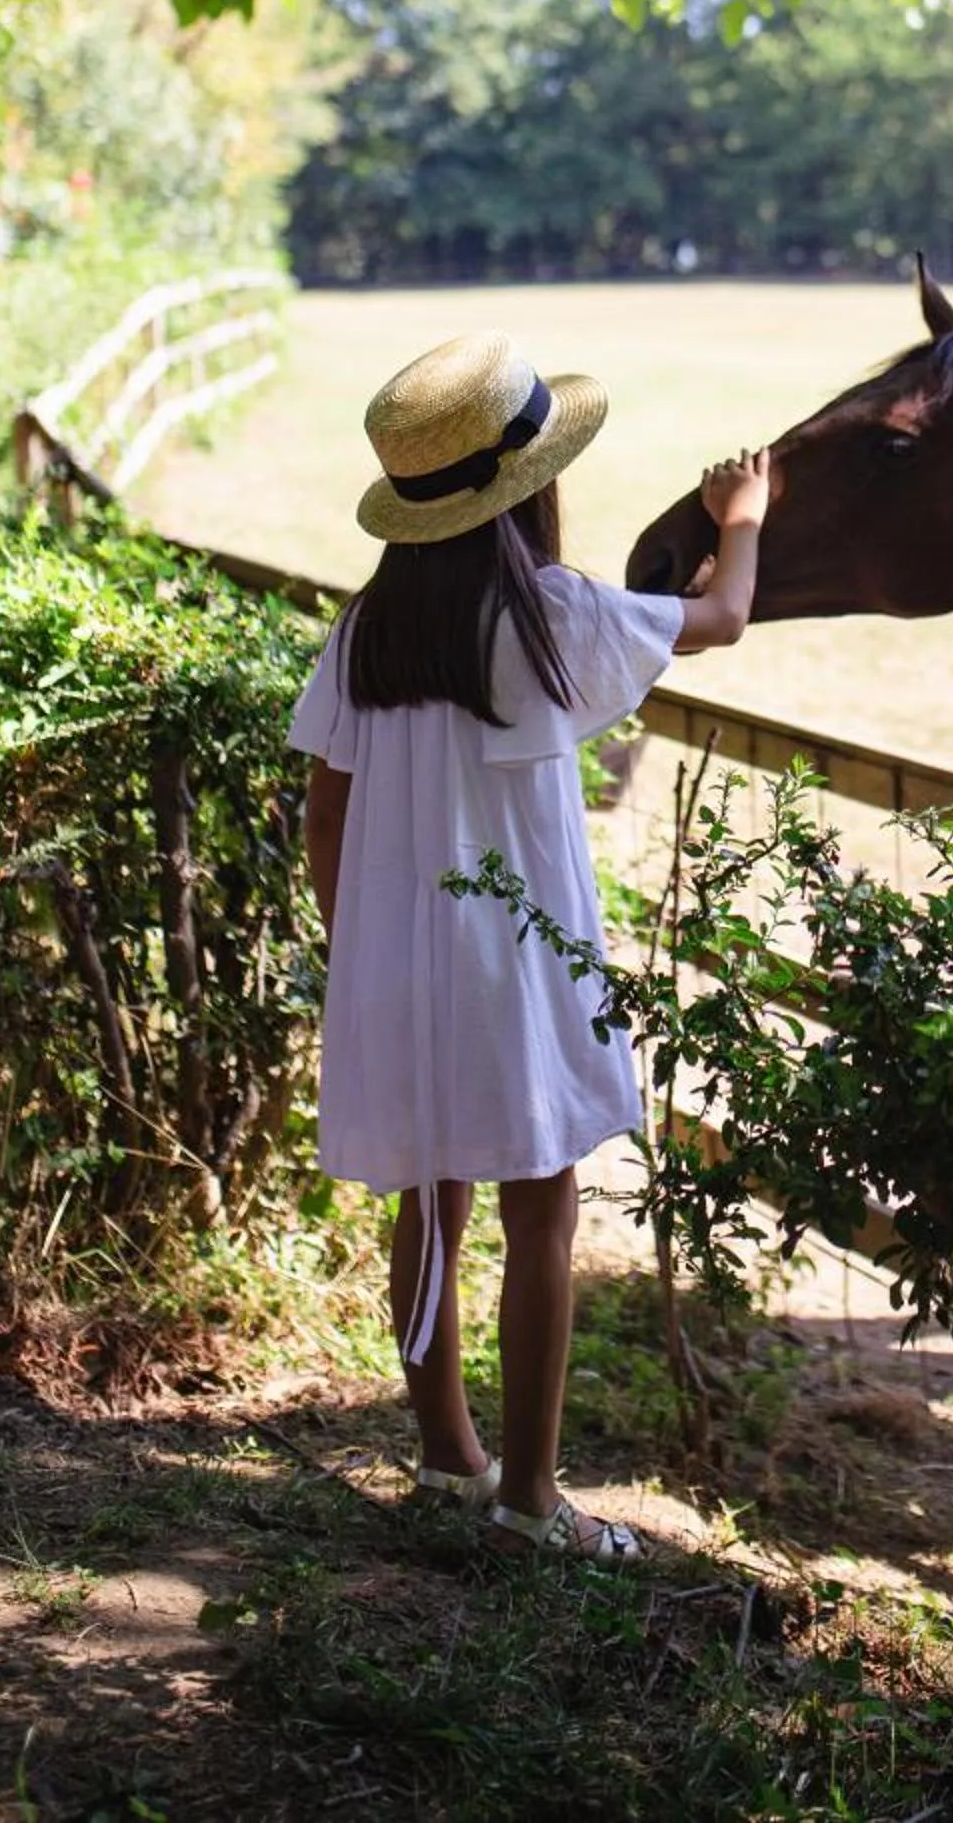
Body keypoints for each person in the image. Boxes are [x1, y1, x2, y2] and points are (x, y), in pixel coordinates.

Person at [291, 328, 768, 1566]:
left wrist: (362, 957)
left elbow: (324, 810)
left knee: (430, 1207)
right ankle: (532, 1500)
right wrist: (744, 514)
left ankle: (448, 1459)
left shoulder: (365, 631)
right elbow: (719, 614)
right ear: (532, 486)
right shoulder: (548, 614)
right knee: (541, 1211)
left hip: (395, 959)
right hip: (517, 956)